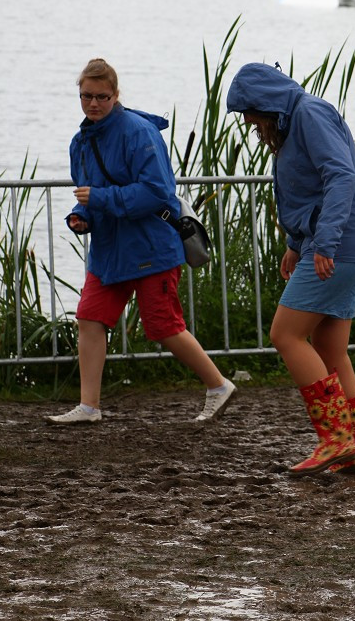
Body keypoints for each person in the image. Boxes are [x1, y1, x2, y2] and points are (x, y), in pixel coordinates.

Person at [46, 58, 236, 425]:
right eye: (86, 96)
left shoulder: (139, 132)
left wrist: (98, 202)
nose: (93, 104)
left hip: (152, 247)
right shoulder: (80, 141)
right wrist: (81, 215)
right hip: (109, 251)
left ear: (116, 95)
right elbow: (90, 193)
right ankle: (89, 407)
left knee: (164, 326)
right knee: (89, 318)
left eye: (102, 96)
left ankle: (218, 386)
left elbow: (158, 192)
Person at [226, 62, 355, 476]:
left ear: (266, 102)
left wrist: (324, 243)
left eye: (249, 112)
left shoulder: (309, 113)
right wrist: (296, 245)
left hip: (338, 246)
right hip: (345, 246)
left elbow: (341, 176)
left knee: (285, 333)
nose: (249, 121)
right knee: (330, 349)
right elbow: (306, 188)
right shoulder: (295, 122)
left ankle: (336, 439)